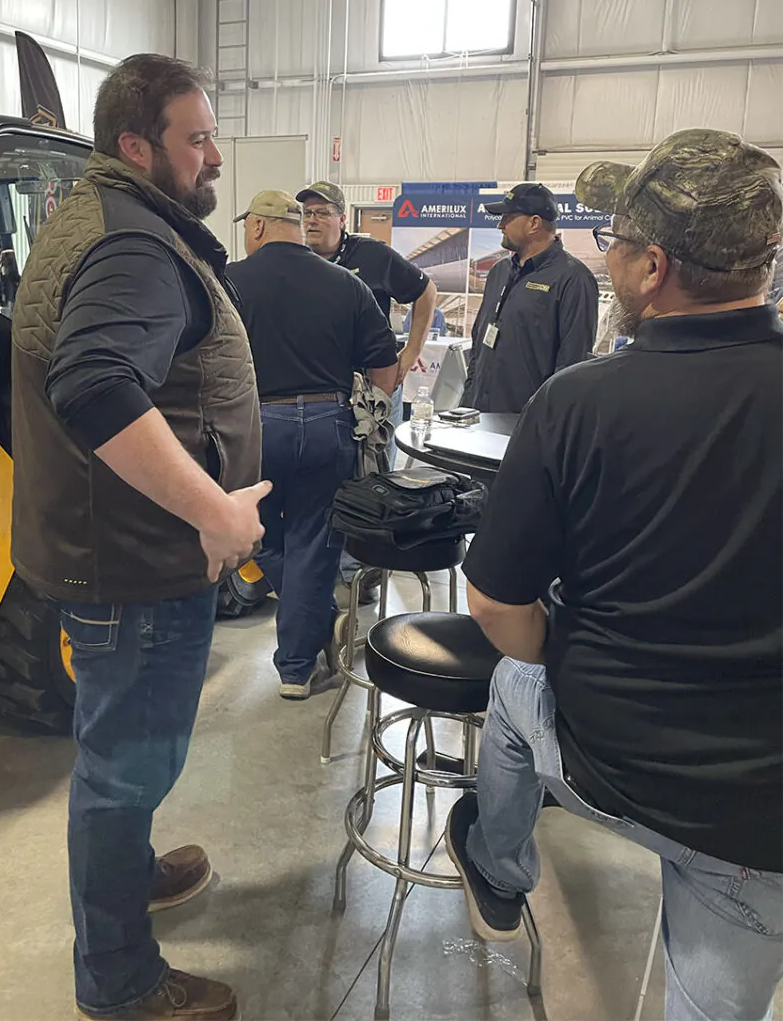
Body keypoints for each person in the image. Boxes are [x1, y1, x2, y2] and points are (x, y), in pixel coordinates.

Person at [445, 128, 783, 1020]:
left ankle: (499, 867)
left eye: (617, 241)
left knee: (516, 678)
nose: (609, 255)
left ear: (652, 267)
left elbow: (495, 604)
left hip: (619, 761)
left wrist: (562, 645)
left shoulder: (578, 404)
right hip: (766, 808)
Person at [11, 54, 268, 1021]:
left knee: (122, 752)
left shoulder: (105, 213)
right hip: (137, 561)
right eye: (195, 139)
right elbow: (96, 385)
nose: (213, 158)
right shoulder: (133, 247)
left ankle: (129, 872)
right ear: (135, 147)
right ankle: (117, 978)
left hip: (106, 546)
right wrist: (219, 512)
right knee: (125, 768)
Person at [226, 190, 397, 699]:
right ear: (299, 227)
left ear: (256, 228)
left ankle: (300, 655)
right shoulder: (346, 283)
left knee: (258, 538)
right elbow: (384, 361)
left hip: (255, 425)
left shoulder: (228, 283)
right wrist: (371, 412)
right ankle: (299, 666)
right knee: (313, 544)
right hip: (328, 422)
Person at [298, 181, 439, 603]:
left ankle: (364, 569)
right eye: (307, 213)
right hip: (323, 389)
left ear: (343, 219)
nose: (312, 220)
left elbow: (425, 291)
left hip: (373, 390)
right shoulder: (298, 259)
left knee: (371, 478)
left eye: (323, 213)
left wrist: (410, 351)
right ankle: (325, 564)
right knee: (325, 478)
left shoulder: (372, 256)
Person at [463, 182, 598, 412]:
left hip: (527, 425)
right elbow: (479, 344)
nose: (500, 225)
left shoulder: (574, 279)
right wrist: (467, 401)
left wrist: (547, 426)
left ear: (534, 223)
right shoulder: (499, 272)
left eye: (507, 217)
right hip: (479, 417)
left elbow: (572, 365)